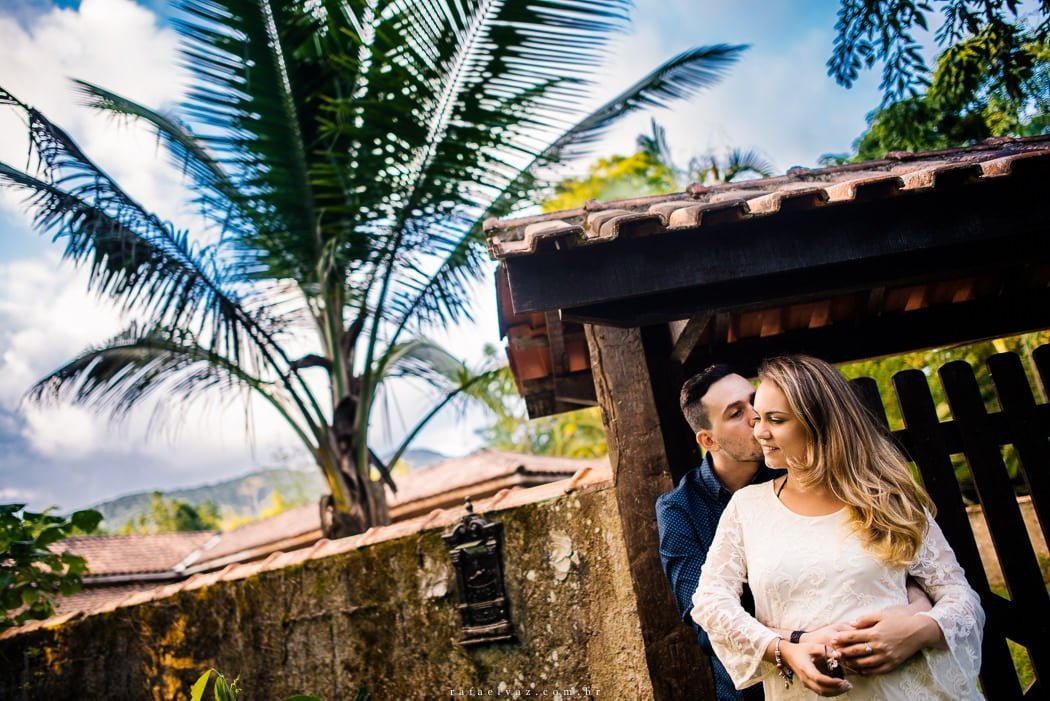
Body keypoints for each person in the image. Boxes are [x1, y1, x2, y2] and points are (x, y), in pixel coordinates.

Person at [691, 355, 984, 699]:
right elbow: (710, 602)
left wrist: (918, 630)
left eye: (776, 420)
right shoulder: (746, 508)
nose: (759, 432)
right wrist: (783, 649)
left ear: (821, 423)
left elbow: (961, 598)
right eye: (758, 419)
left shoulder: (888, 498)